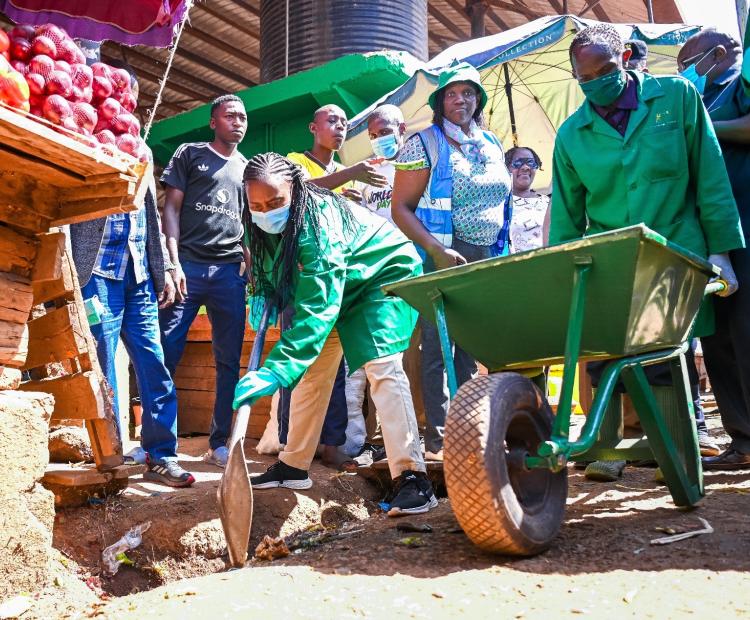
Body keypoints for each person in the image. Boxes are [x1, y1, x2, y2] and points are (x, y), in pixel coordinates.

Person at [549, 24, 744, 480]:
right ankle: (607, 448)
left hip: (675, 248)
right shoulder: (572, 133)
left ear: (629, 56)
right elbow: (566, 217)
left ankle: (674, 452)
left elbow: (709, 176)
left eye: (605, 70)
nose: (596, 83)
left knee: (666, 353)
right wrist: (563, 276)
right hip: (610, 256)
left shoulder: (676, 98)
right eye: (585, 78)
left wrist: (722, 251)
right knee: (606, 352)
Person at [235, 152, 437, 516]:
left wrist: (274, 368)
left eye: (276, 201)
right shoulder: (260, 223)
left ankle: (413, 479)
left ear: (295, 192)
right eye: (257, 204)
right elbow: (268, 265)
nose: (266, 211)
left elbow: (317, 307)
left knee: (382, 368)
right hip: (338, 287)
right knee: (312, 374)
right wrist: (261, 293)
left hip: (380, 276)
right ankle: (293, 465)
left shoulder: (318, 223)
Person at [391, 62, 512, 461]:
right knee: (438, 344)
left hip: (487, 253)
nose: (461, 100)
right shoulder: (423, 143)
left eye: (468, 93)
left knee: (472, 346)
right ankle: (439, 437)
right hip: (443, 252)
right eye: (451, 94)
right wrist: (435, 249)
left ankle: (468, 428)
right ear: (440, 102)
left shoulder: (491, 142)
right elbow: (401, 208)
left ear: (479, 100)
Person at [71, 157, 195, 488]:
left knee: (154, 363)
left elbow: (151, 220)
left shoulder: (140, 150)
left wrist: (166, 267)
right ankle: (110, 457)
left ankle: (162, 454)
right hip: (97, 274)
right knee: (103, 366)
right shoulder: (89, 144)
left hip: (139, 276)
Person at [277, 104, 389, 470]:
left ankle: (332, 443)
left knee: (336, 367)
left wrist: (348, 200)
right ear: (313, 127)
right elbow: (296, 193)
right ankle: (291, 442)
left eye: (343, 122)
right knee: (300, 359)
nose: (339, 127)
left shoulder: (343, 173)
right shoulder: (294, 161)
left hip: (334, 275)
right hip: (300, 275)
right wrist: (350, 177)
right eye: (332, 121)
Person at [159, 94, 249, 469]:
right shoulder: (189, 154)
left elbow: (248, 223)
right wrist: (172, 263)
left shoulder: (247, 168)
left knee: (229, 361)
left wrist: (249, 259)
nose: (238, 122)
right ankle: (160, 443)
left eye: (243, 117)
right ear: (213, 122)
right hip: (189, 269)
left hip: (229, 274)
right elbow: (171, 208)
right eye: (230, 116)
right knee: (165, 354)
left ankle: (218, 443)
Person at [677, 27, 750, 470]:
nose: (685, 72)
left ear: (717, 54)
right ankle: (742, 439)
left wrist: (701, 129)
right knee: (717, 335)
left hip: (744, 228)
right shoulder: (702, 99)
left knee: (744, 334)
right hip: (710, 240)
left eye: (688, 62)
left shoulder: (739, 85)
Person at [342, 104, 409, 460]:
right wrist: (354, 203)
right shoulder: (365, 173)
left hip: (406, 266)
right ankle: (367, 441)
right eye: (374, 134)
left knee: (404, 358)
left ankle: (409, 440)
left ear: (402, 128)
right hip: (374, 269)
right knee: (371, 358)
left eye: (386, 131)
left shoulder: (414, 165)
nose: (381, 139)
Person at [505, 146, 549, 253]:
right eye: (518, 162)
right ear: (506, 168)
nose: (525, 167)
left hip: (548, 263)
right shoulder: (501, 204)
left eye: (530, 162)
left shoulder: (548, 202)